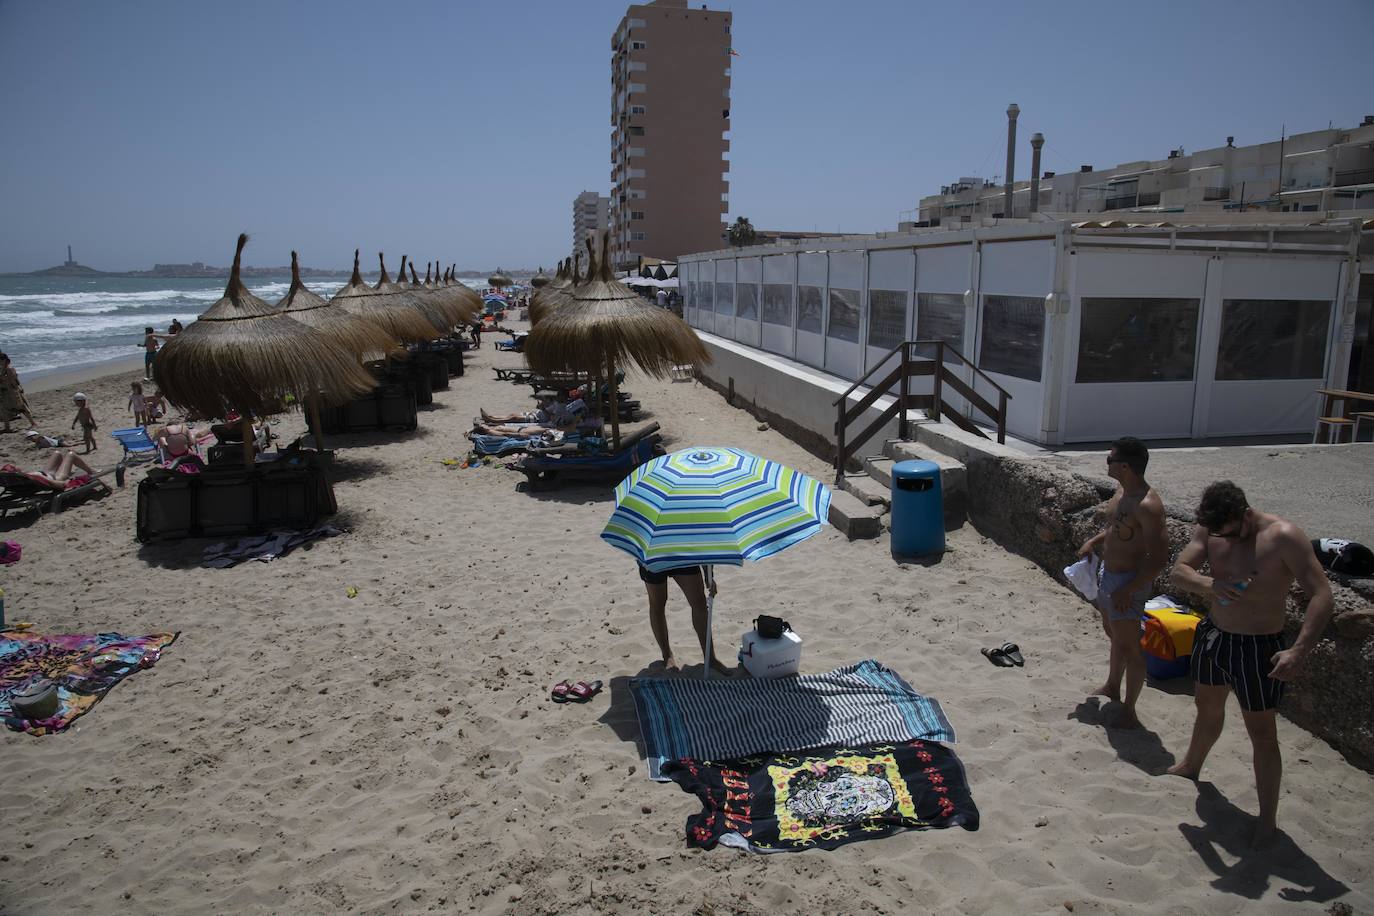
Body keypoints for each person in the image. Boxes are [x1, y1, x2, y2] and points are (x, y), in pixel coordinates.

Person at [1167, 481, 1334, 848]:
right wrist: (1210, 583)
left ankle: (1267, 820)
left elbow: (1322, 594)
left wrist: (1299, 650)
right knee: (1206, 710)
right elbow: (1179, 571)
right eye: (1216, 533)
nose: (1223, 538)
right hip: (1215, 636)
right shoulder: (1211, 527)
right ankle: (1191, 765)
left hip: (1259, 648)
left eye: (1229, 531)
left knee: (1262, 734)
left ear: (1245, 514)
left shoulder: (1284, 537)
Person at [1076, 436, 1168, 729]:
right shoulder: (1121, 492)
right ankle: (1113, 685)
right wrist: (1095, 540)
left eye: (1110, 459)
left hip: (1128, 582)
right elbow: (1117, 529)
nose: (1107, 463)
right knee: (1115, 635)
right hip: (1109, 575)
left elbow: (1158, 558)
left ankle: (1130, 708)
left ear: (1125, 466)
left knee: (1131, 647)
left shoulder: (1148, 505)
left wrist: (1129, 589)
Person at [639, 564, 730, 675]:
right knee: (657, 604)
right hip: (653, 557)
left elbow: (705, 546)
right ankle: (667, 656)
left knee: (699, 602)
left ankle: (710, 658)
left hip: (682, 552)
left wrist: (709, 575)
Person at [0, 352, 37, 433]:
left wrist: (18, 389)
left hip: (12, 392)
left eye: (2, 360)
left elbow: (14, 382)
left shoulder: (9, 369)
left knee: (21, 408)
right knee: (4, 410)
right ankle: (7, 428)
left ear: (6, 360)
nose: (0, 361)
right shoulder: (3, 369)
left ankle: (33, 423)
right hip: (6, 393)